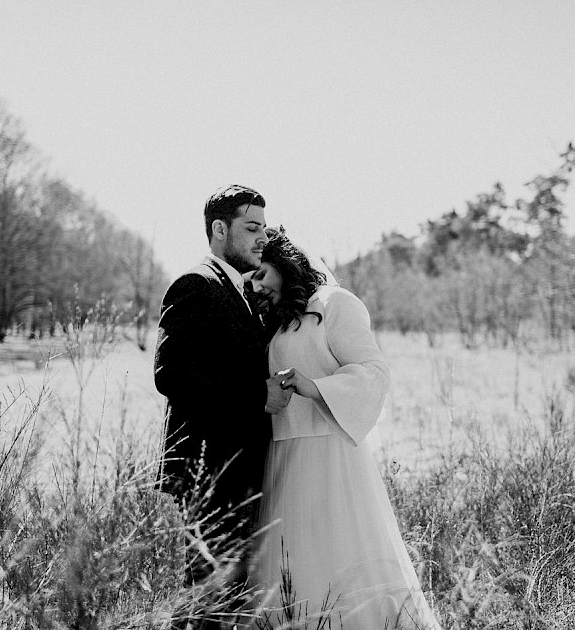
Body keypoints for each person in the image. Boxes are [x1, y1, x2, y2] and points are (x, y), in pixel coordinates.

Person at [249, 228, 442, 629]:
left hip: (330, 456)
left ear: (285, 267)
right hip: (283, 455)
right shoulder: (277, 318)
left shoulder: (336, 304)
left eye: (263, 273)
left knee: (339, 557)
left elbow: (374, 372)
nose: (257, 285)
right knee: (292, 563)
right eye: (252, 277)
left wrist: (314, 386)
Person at [154, 185, 295, 584]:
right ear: (220, 229)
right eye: (252, 228)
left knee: (226, 599)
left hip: (239, 468)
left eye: (264, 229)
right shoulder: (194, 285)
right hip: (210, 468)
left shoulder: (241, 290)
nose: (263, 238)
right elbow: (171, 373)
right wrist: (259, 393)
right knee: (207, 601)